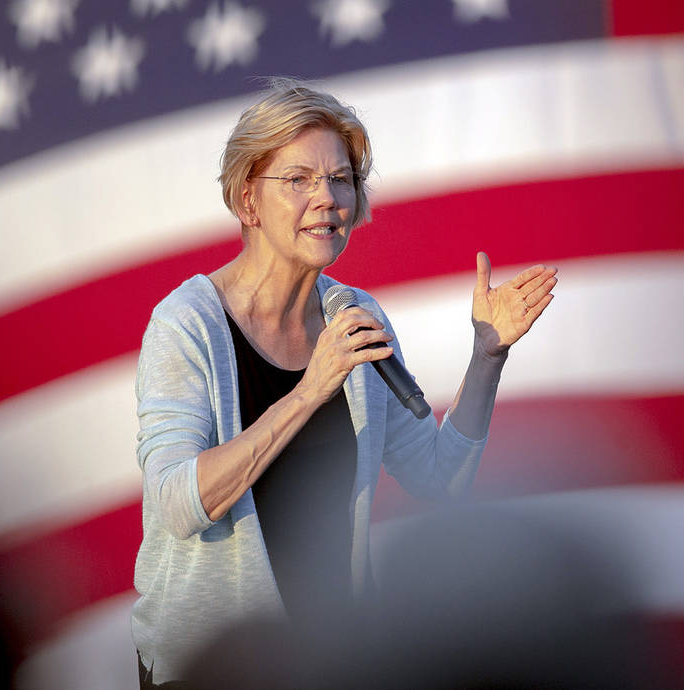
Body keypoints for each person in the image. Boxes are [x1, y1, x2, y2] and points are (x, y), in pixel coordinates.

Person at [131, 81, 557, 688]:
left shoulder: (355, 318)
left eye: (340, 180)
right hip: (211, 668)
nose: (326, 198)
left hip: (330, 661)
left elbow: (439, 477)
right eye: (298, 179)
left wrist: (486, 356)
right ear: (248, 200)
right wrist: (309, 390)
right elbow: (178, 505)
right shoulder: (187, 324)